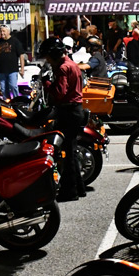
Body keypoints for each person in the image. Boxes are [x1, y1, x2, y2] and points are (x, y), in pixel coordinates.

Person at [38, 37, 85, 202]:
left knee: (67, 153)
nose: (47, 60)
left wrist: (47, 83)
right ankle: (79, 188)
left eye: (48, 57)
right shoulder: (71, 64)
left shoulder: (63, 68)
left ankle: (70, 192)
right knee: (71, 151)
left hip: (69, 111)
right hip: (75, 110)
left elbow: (59, 93)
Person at [0, 24, 25, 98]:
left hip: (12, 70)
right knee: (3, 89)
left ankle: (16, 100)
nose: (2, 33)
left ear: (8, 31)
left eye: (4, 31)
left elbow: (21, 55)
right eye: (1, 31)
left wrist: (22, 68)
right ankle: (7, 102)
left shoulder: (15, 41)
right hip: (2, 70)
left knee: (13, 86)